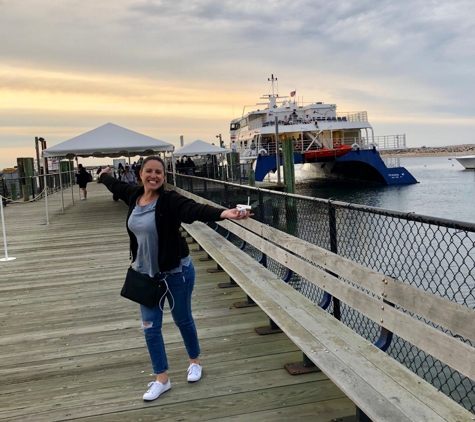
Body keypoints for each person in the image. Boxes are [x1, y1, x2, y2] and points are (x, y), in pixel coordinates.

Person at [97, 156, 252, 402]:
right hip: (145, 275)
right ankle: (162, 379)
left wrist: (225, 213)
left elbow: (194, 210)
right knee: (150, 328)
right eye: (149, 171)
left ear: (164, 176)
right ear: (141, 174)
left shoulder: (169, 201)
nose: (153, 176)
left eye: (158, 172)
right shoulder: (134, 196)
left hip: (176, 272)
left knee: (183, 319)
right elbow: (114, 184)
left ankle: (195, 362)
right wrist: (104, 174)